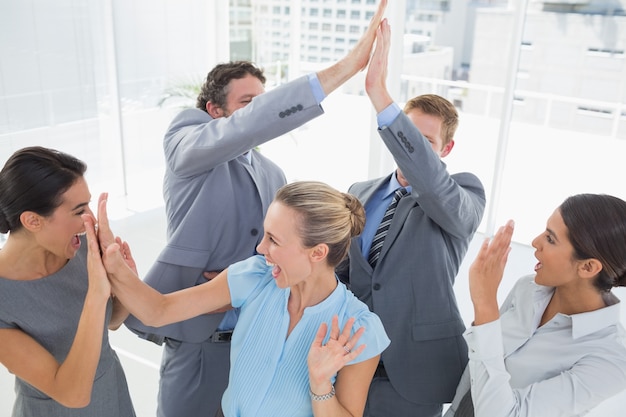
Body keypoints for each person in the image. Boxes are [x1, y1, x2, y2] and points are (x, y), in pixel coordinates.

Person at [122, 2, 388, 416]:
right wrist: (344, 69)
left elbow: (293, 242)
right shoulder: (187, 143)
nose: (262, 114)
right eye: (249, 103)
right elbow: (161, 308)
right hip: (198, 334)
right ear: (214, 111)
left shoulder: (272, 173)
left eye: (264, 102)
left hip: (249, 327)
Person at [95, 180, 390, 417]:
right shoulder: (256, 276)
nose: (261, 248)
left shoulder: (359, 329)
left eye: (274, 240)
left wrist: (321, 383)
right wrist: (116, 268)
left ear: (317, 253)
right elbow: (159, 311)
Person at [335, 20, 486, 417]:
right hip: (350, 358)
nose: (410, 153)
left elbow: (433, 185)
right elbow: (344, 272)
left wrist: (379, 94)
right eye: (408, 138)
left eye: (424, 143)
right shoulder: (360, 191)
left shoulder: (464, 195)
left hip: (415, 371)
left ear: (446, 148)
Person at [445, 193, 626, 417]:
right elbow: (477, 367)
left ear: (588, 267)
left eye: (550, 239)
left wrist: (485, 304)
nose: (535, 242)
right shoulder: (527, 289)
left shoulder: (611, 359)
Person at [0, 146, 136, 416]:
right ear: (32, 220)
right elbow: (71, 393)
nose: (91, 220)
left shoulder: (81, 246)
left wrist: (124, 287)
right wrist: (97, 293)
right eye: (78, 210)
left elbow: (111, 323)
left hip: (112, 395)